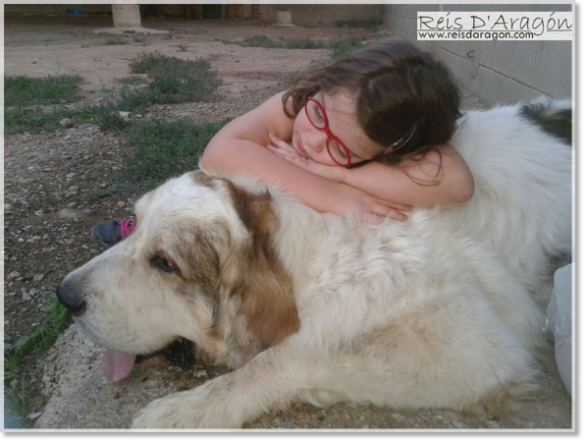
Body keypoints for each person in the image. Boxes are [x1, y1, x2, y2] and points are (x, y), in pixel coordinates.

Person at [92, 38, 474, 248]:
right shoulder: (293, 107)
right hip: (238, 198)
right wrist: (336, 195)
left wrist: (326, 172)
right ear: (323, 85)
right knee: (217, 189)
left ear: (391, 152)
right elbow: (219, 154)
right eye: (319, 114)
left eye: (340, 149)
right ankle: (153, 232)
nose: (310, 140)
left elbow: (458, 183)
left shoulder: (389, 137)